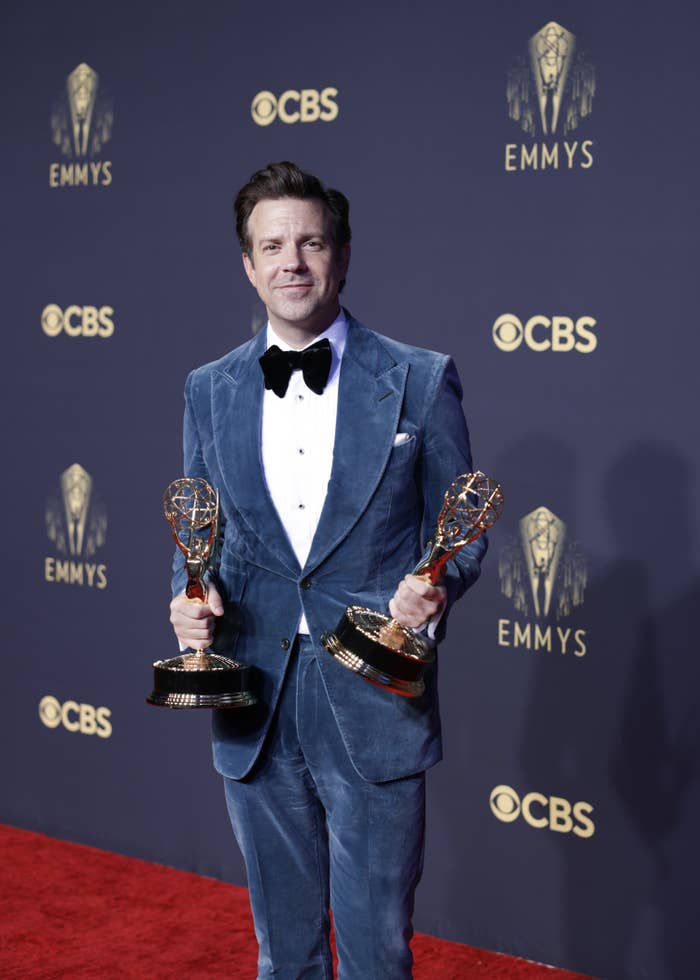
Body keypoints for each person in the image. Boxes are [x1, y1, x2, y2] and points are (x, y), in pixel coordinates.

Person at [169, 161, 486, 979]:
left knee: (378, 949)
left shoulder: (417, 377)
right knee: (284, 949)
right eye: (271, 245)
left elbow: (465, 528)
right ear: (247, 264)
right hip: (253, 692)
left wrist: (434, 591)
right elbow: (200, 536)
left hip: (373, 690)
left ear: (342, 256)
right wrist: (186, 600)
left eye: (311, 242)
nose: (292, 262)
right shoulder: (208, 391)